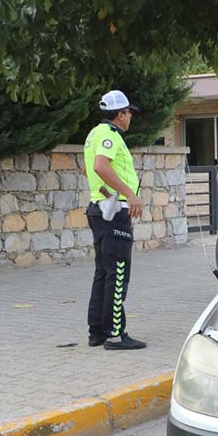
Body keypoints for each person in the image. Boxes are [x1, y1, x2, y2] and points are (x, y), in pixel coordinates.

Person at [83, 90, 147, 350]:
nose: (130, 116)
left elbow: (89, 168)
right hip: (114, 213)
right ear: (120, 114)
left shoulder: (94, 134)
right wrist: (130, 194)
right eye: (128, 112)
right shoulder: (110, 136)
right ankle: (115, 334)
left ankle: (97, 332)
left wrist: (105, 190)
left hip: (100, 209)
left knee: (103, 272)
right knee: (118, 273)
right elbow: (100, 166)